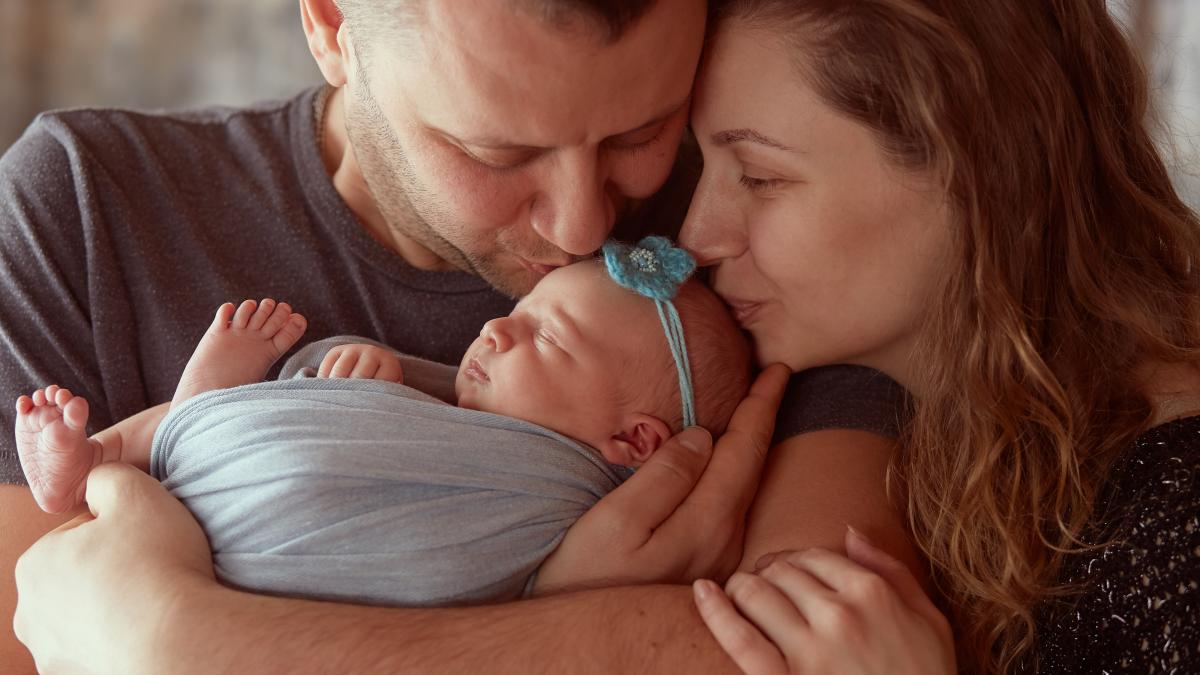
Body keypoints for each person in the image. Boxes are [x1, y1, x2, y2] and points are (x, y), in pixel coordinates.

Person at [10, 1, 928, 672]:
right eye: (500, 155)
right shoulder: (84, 207)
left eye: (640, 132)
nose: (580, 227)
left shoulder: (733, 242)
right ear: (332, 24)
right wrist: (600, 629)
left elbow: (815, 653)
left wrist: (186, 642)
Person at [680, 0, 1200, 672]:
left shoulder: (1175, 526)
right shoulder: (953, 440)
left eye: (758, 175)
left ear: (977, 174)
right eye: (701, 168)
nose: (696, 235)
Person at [16, 250, 752, 606]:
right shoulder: (451, 399)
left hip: (262, 562)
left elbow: (468, 569)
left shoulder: (573, 505)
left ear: (635, 443)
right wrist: (371, 384)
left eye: (548, 338)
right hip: (231, 465)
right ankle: (99, 453)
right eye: (517, 310)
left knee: (207, 433)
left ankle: (175, 424)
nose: (495, 328)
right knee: (200, 425)